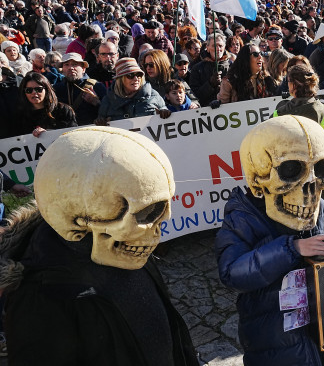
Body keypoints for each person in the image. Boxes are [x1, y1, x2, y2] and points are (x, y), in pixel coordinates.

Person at [0, 127, 199, 365]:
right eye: (144, 214)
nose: (159, 224)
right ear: (75, 221)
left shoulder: (126, 250)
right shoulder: (41, 300)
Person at [215, 116, 324, 366]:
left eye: (320, 170)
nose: (311, 188)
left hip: (321, 329)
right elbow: (232, 272)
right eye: (291, 170)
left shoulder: (318, 207)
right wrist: (291, 249)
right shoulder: (243, 216)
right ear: (258, 178)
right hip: (276, 342)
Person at [97, 58, 170, 123]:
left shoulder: (153, 95)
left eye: (138, 75)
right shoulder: (108, 100)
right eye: (130, 75)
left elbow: (164, 111)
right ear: (120, 79)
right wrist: (101, 122)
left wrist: (164, 112)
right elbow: (102, 125)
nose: (136, 79)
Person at [14, 72, 77, 137]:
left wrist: (48, 134)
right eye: (29, 90)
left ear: (47, 90)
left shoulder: (63, 110)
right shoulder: (20, 114)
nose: (34, 93)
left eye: (39, 89)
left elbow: (73, 135)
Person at [53, 52, 107, 126]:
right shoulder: (57, 89)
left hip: (91, 132)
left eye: (74, 64)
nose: (70, 68)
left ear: (83, 69)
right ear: (62, 69)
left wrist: (96, 102)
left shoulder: (97, 86)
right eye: (66, 65)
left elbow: (110, 112)